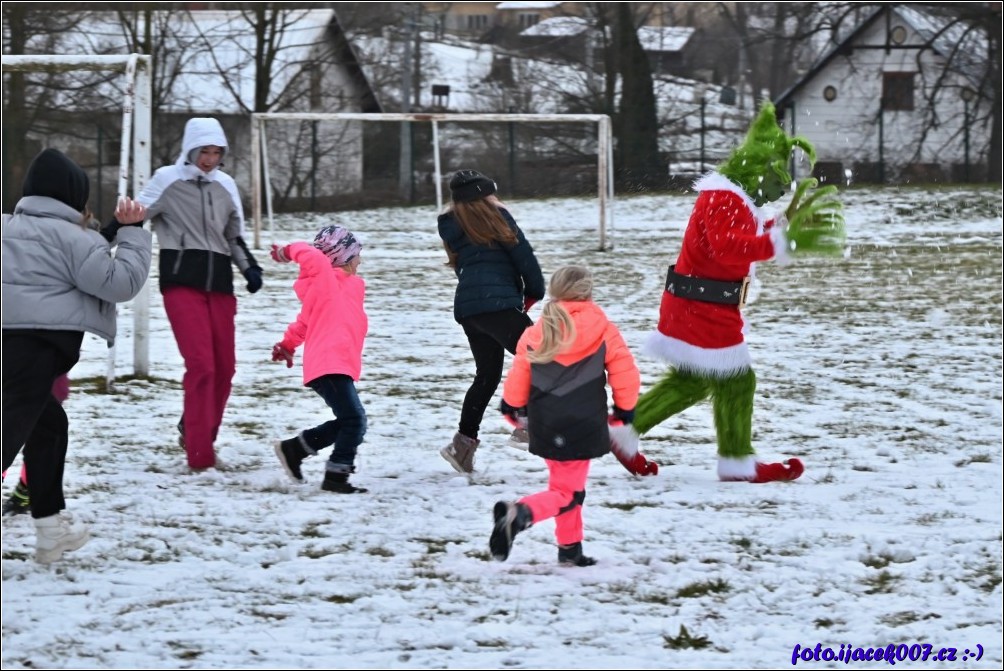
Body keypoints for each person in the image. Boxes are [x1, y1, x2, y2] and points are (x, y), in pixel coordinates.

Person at [612, 101, 843, 483]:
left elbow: (735, 234)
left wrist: (778, 223)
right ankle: (736, 461)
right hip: (702, 306)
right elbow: (727, 247)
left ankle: (626, 431)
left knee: (696, 380)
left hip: (698, 303)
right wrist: (779, 242)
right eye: (778, 175)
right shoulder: (725, 197)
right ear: (759, 169)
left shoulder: (733, 198)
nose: (783, 185)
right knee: (736, 379)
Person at [2, 147, 151, 563]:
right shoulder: (76, 238)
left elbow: (62, 263)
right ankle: (49, 527)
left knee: (47, 427)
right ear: (73, 195)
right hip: (36, 347)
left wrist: (108, 235)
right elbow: (118, 283)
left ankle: (50, 529)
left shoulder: (8, 227)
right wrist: (134, 232)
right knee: (9, 434)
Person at [133, 117, 264, 470]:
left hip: (220, 284)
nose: (209, 158)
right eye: (204, 151)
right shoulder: (167, 180)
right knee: (202, 365)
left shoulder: (226, 185)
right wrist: (107, 237)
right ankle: (200, 455)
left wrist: (249, 268)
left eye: (216, 152)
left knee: (225, 369)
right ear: (190, 150)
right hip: (181, 282)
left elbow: (233, 235)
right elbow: (136, 215)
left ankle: (197, 432)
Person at [489, 265, 640, 567]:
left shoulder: (537, 331)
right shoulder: (603, 328)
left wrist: (512, 408)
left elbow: (520, 372)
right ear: (588, 292)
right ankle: (519, 514)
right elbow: (625, 372)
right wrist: (625, 409)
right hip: (584, 421)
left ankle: (570, 549)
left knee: (566, 485)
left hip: (547, 421)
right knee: (567, 492)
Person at [437, 169, 546, 474]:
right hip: (498, 305)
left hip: (470, 310)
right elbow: (525, 259)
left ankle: (462, 446)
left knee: (486, 375)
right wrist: (534, 292)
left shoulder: (452, 226)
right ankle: (525, 423)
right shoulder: (500, 219)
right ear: (485, 197)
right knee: (542, 355)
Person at [270, 225, 369, 494]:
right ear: (344, 257)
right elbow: (313, 257)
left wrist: (288, 345)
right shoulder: (327, 281)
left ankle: (295, 449)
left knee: (348, 421)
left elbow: (305, 322)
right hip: (329, 364)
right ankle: (337, 476)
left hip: (337, 364)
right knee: (355, 421)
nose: (360, 260)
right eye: (357, 254)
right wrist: (285, 251)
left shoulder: (347, 288)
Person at [2, 374, 70, 516]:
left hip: (44, 379)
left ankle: (26, 490)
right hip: (20, 377)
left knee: (42, 437)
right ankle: (27, 490)